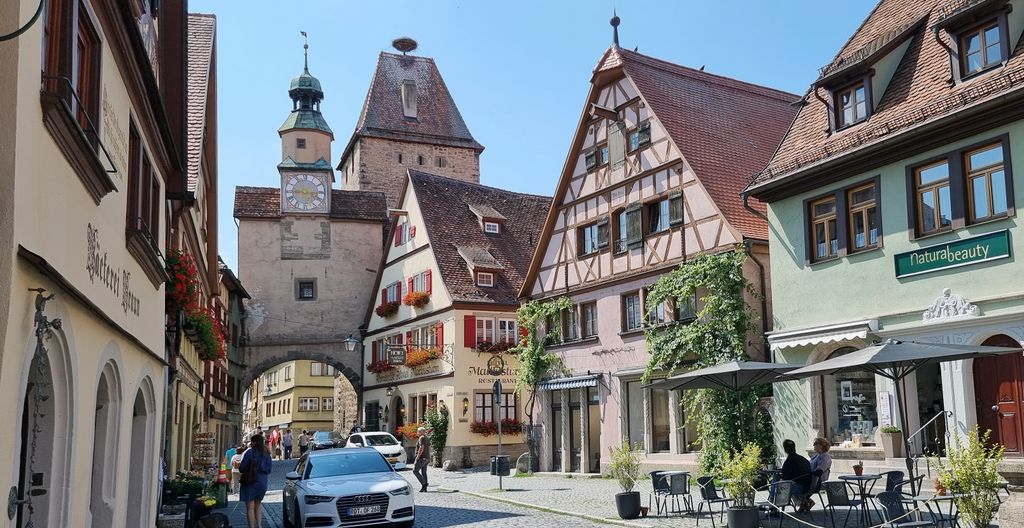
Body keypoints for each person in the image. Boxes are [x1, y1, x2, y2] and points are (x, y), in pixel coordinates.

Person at [239, 434, 273, 528]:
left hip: (251, 481)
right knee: (258, 505)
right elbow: (269, 469)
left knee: (250, 507)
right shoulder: (266, 453)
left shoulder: (250, 452)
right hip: (262, 482)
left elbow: (241, 468)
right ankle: (259, 525)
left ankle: (252, 527)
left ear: (254, 442)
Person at [801, 437, 833, 512]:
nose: (813, 445)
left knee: (798, 486)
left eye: (815, 444)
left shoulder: (825, 457)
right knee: (793, 484)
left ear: (821, 445)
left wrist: (808, 474)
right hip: (811, 478)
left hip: (818, 481)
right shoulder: (816, 455)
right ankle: (806, 502)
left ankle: (805, 502)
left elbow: (819, 471)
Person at [780, 439, 812, 509]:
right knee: (789, 483)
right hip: (808, 486)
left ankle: (774, 505)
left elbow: (784, 477)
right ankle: (805, 501)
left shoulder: (789, 460)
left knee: (780, 484)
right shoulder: (803, 459)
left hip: (799, 487)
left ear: (785, 449)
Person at [412, 426, 430, 492]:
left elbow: (421, 448)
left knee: (415, 471)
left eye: (418, 431)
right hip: (427, 457)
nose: (418, 433)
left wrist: (417, 457)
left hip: (421, 458)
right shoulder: (427, 438)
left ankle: (424, 483)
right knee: (424, 472)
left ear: (420, 432)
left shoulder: (421, 438)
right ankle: (424, 488)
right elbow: (429, 448)